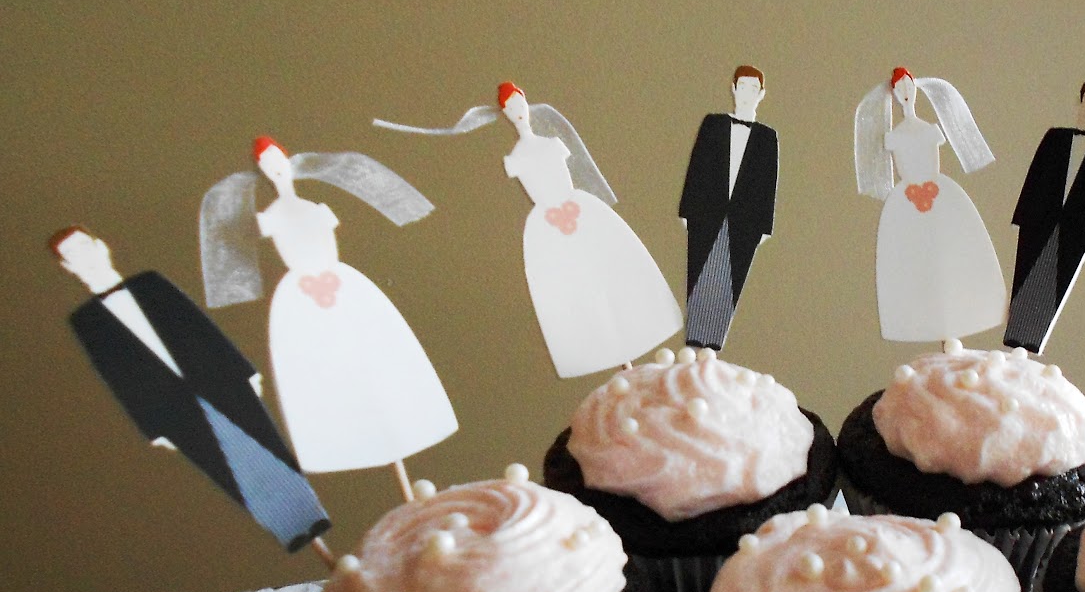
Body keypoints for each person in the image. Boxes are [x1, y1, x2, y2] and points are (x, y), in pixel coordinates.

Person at [374, 85, 682, 378]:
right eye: (512, 109)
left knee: (607, 268)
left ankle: (634, 331)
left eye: (520, 106)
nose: (519, 113)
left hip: (580, 212)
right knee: (571, 285)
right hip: (547, 226)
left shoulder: (551, 144)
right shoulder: (517, 157)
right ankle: (602, 349)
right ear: (506, 114)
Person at [55, 226, 330, 553]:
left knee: (263, 438)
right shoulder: (87, 322)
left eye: (85, 246)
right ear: (68, 268)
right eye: (72, 256)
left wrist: (243, 370)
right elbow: (114, 376)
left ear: (101, 246)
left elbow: (199, 326)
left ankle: (311, 515)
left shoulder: (150, 284)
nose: (84, 257)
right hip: (168, 405)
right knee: (222, 464)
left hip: (216, 377)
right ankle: (288, 530)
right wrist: (151, 428)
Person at [199, 138, 457, 475]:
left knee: (376, 350)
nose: (276, 170)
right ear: (263, 170)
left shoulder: (313, 208)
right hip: (302, 296)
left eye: (278, 162)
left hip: (343, 285)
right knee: (324, 367)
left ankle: (412, 423)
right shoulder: (271, 217)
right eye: (268, 166)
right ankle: (347, 444)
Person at [854, 67, 1007, 341]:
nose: (906, 96)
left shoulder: (927, 129)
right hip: (908, 198)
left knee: (952, 248)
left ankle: (969, 314)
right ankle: (920, 322)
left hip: (937, 192)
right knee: (913, 257)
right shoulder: (896, 135)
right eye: (900, 92)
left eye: (908, 90)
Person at [1004, 80, 1085, 353]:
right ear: (1079, 100)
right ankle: (1015, 335)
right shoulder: (1055, 137)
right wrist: (1022, 215)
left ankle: (1032, 340)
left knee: (1056, 281)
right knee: (1027, 273)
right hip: (1038, 217)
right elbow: (1035, 176)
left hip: (1078, 227)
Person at [679, 65, 779, 350]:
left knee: (731, 276)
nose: (746, 93)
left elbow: (767, 182)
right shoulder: (713, 124)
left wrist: (765, 226)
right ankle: (695, 336)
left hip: (746, 219)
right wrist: (687, 210)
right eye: (742, 87)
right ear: (733, 89)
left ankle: (714, 341)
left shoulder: (767, 137)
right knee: (700, 269)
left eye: (753, 88)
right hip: (706, 210)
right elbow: (696, 167)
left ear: (761, 94)